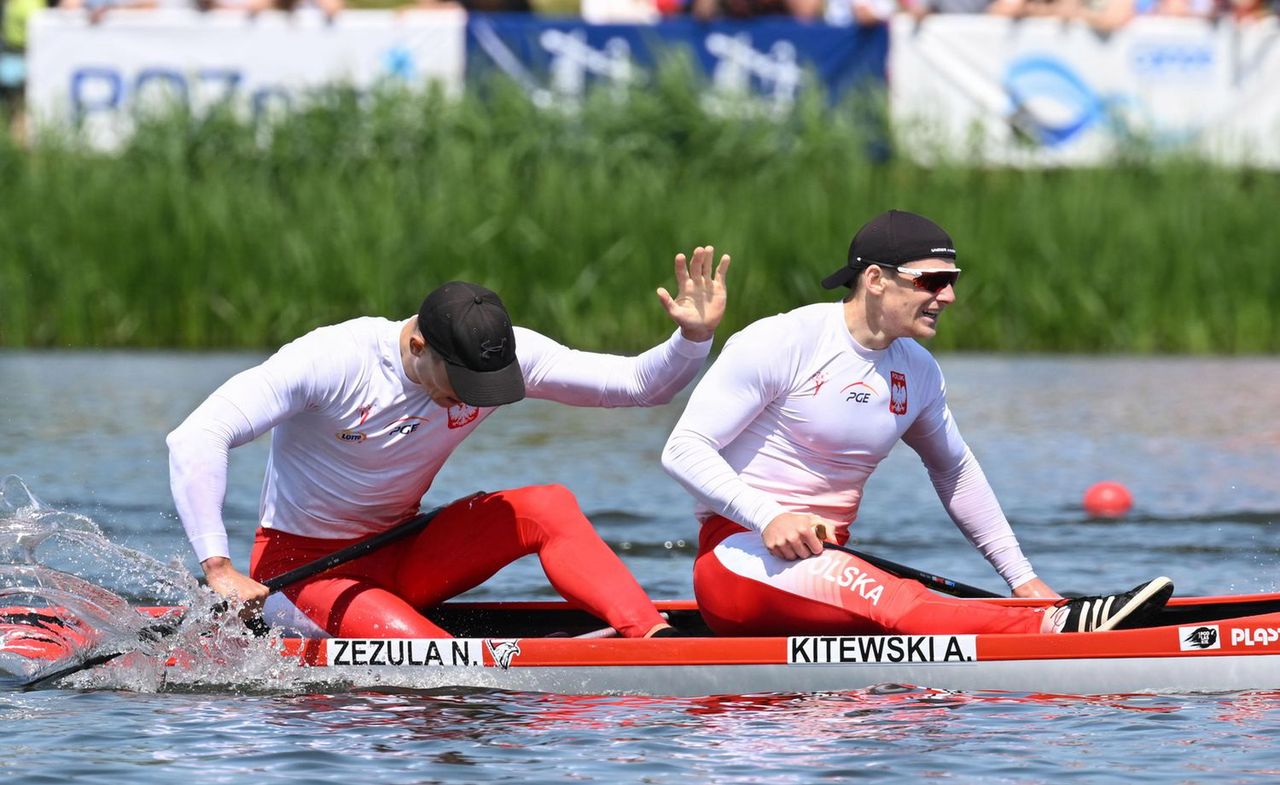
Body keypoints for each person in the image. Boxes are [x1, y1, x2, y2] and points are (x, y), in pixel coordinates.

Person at [168, 247, 729, 639]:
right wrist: (219, 570)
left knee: (547, 506)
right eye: (459, 385)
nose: (469, 398)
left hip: (405, 551)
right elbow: (197, 435)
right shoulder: (332, 361)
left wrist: (692, 337)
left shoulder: (501, 354)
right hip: (309, 571)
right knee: (435, 677)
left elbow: (637, 385)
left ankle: (652, 639)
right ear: (417, 344)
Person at [662, 211, 1172, 636]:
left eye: (951, 282)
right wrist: (769, 516)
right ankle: (1049, 632)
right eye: (932, 281)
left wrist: (1025, 582)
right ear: (876, 280)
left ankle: (1041, 619)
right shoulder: (783, 341)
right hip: (740, 561)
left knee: (918, 718)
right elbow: (683, 448)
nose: (948, 296)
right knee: (905, 603)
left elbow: (956, 473)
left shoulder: (918, 370)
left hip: (824, 568)